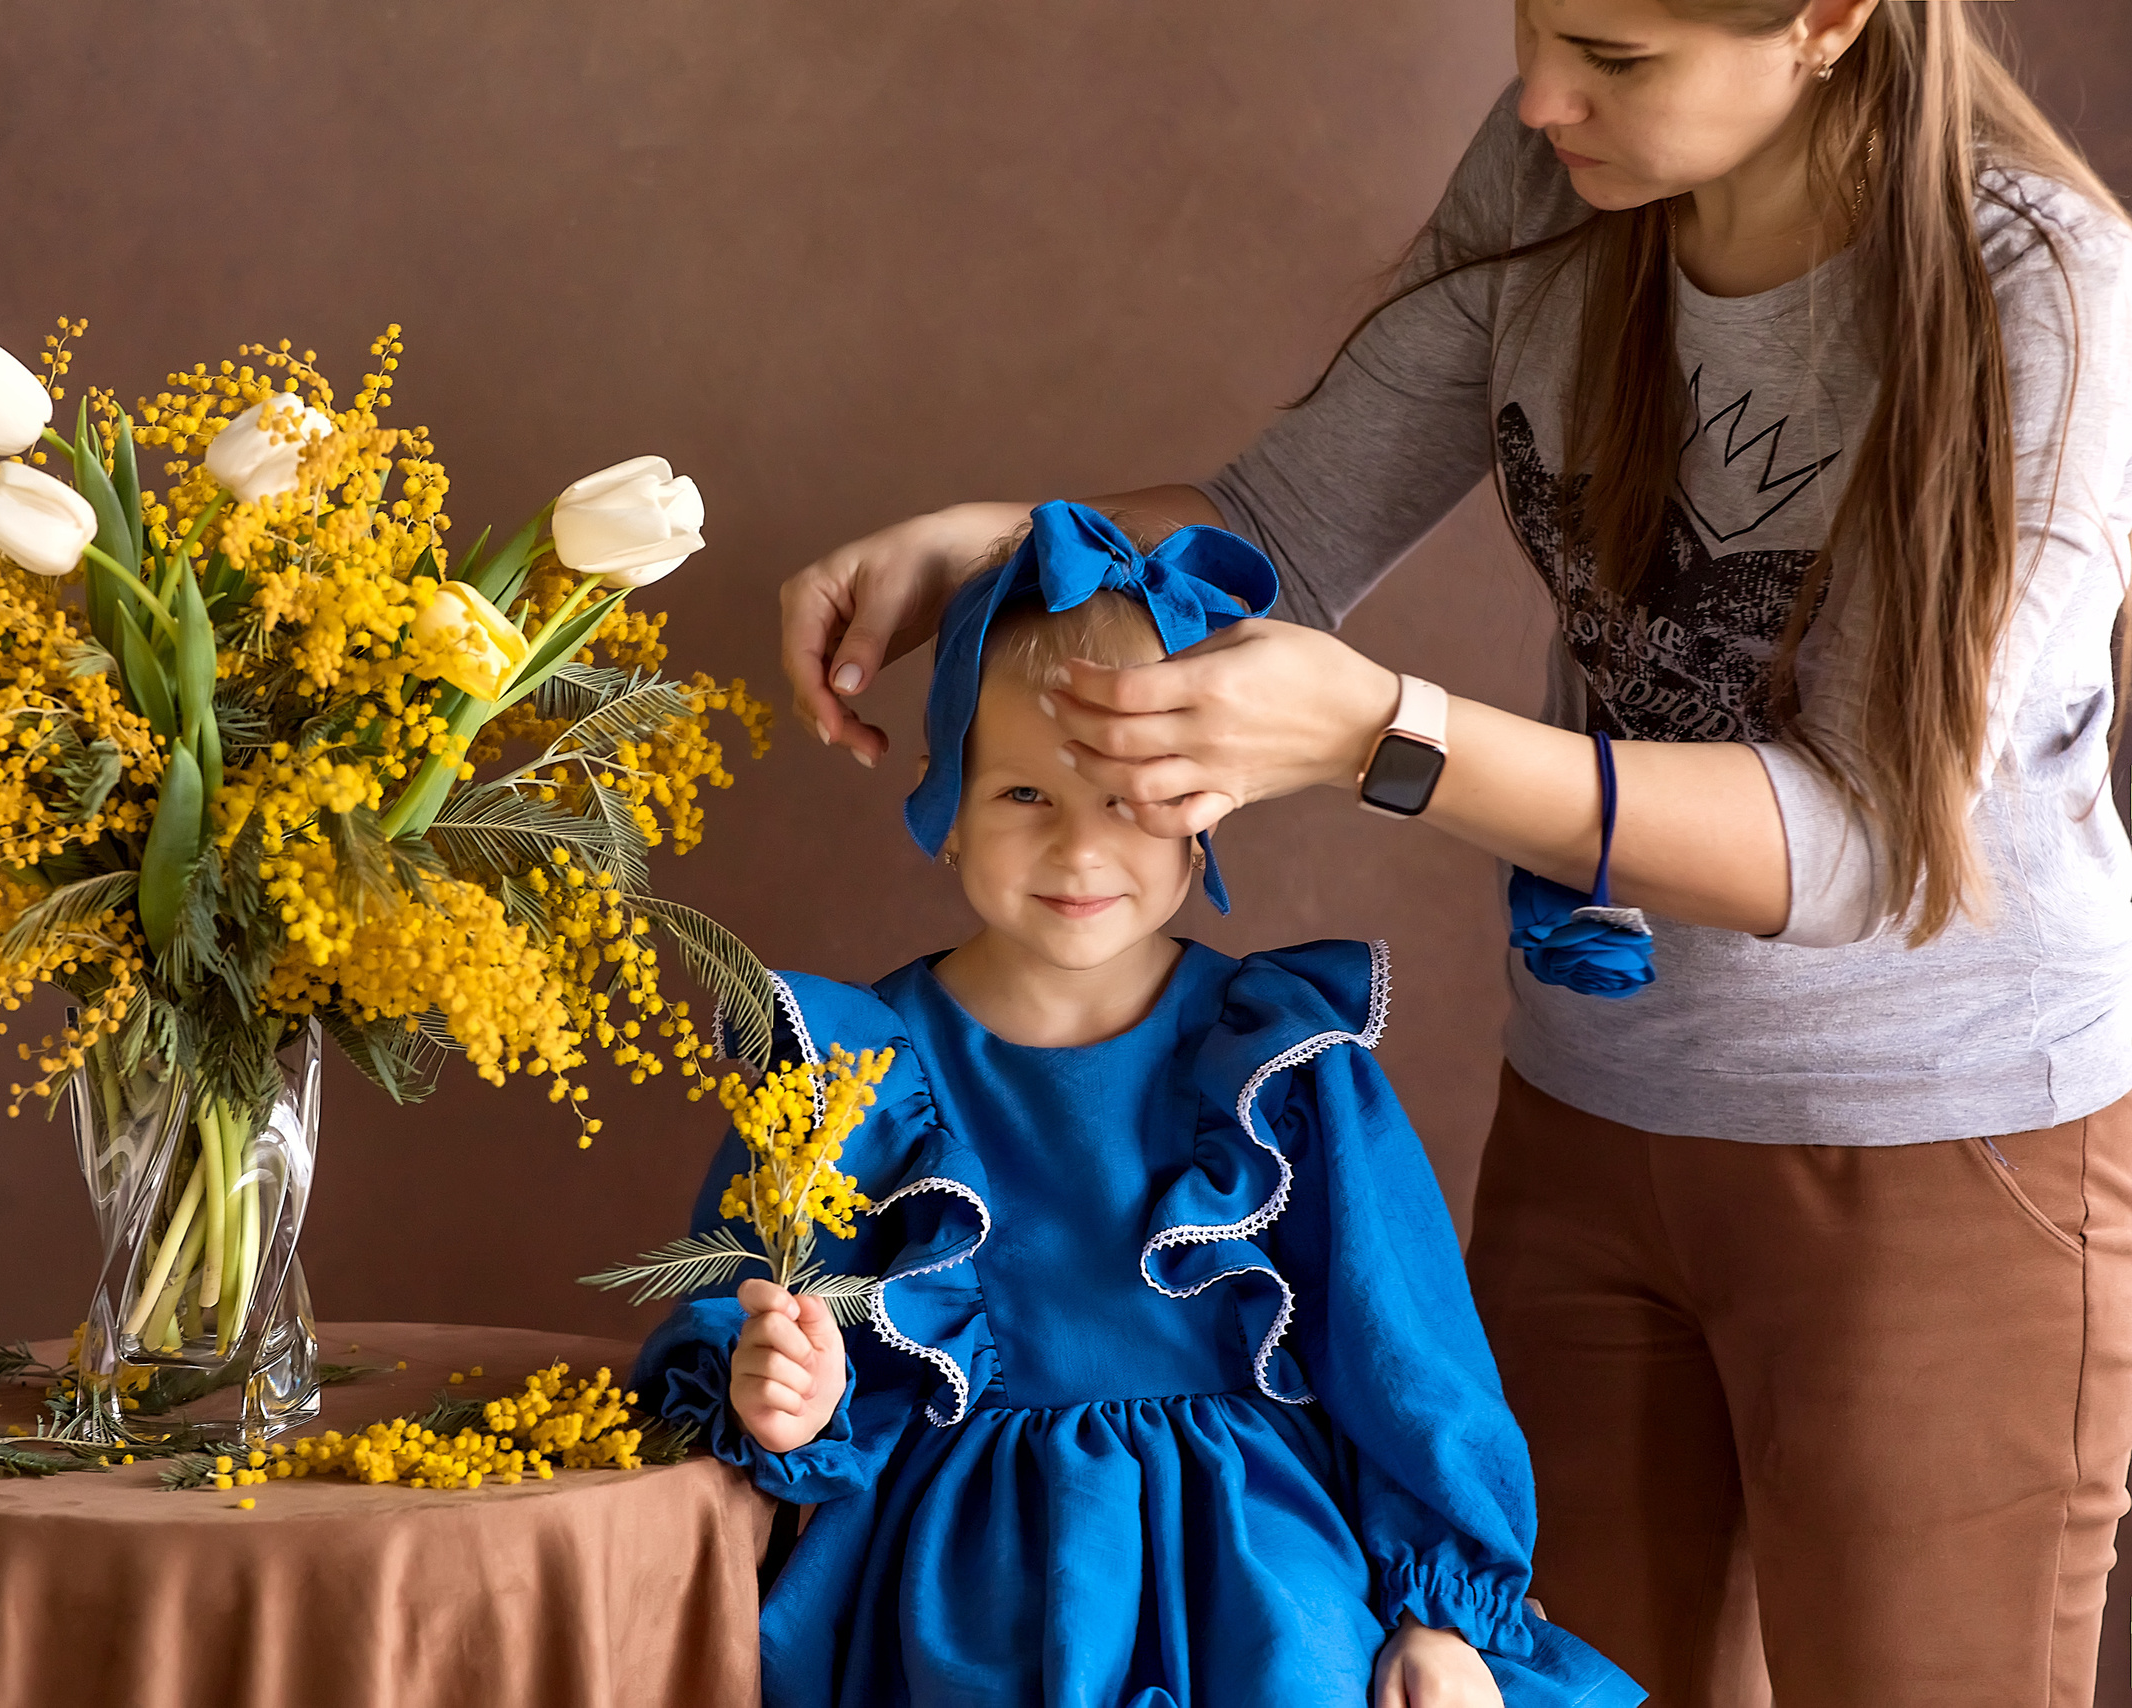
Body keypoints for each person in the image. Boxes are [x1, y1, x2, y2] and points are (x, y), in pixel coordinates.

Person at [771, 3, 2132, 1703]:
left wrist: (1383, 735)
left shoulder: (2054, 297)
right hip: (1596, 1126)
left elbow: (1861, 845)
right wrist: (1016, 544)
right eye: (1534, 23)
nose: (1541, 96)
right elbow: (1278, 531)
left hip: (1944, 1151)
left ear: (1831, 21)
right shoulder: (1557, 169)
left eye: (1616, 57)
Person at [636, 503, 1644, 1708]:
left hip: (1255, 1581)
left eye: (1127, 799)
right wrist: (787, 1394)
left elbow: (1403, 1355)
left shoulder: (1280, 1062)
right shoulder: (848, 1069)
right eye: (1022, 794)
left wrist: (1442, 1616)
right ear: (943, 798)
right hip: (955, 1585)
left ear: (1204, 809)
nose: (1079, 851)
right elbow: (748, 1309)